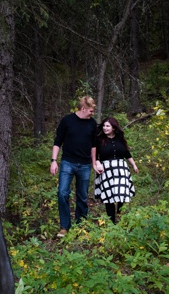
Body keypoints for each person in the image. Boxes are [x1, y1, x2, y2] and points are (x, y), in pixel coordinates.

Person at [50, 96, 100, 237]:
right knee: (62, 193)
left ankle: (81, 225)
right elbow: (57, 141)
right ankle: (64, 226)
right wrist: (54, 160)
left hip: (85, 165)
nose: (92, 113)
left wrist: (94, 162)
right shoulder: (67, 121)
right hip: (68, 163)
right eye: (91, 110)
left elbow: (93, 145)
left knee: (82, 196)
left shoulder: (92, 123)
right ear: (83, 108)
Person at [93, 117, 138, 224]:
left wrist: (134, 165)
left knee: (122, 192)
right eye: (104, 126)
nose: (105, 128)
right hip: (106, 170)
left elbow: (126, 153)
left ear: (113, 127)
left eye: (108, 126)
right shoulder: (99, 140)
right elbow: (95, 156)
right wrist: (97, 163)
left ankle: (119, 211)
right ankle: (112, 222)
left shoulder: (120, 139)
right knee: (109, 196)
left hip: (121, 169)